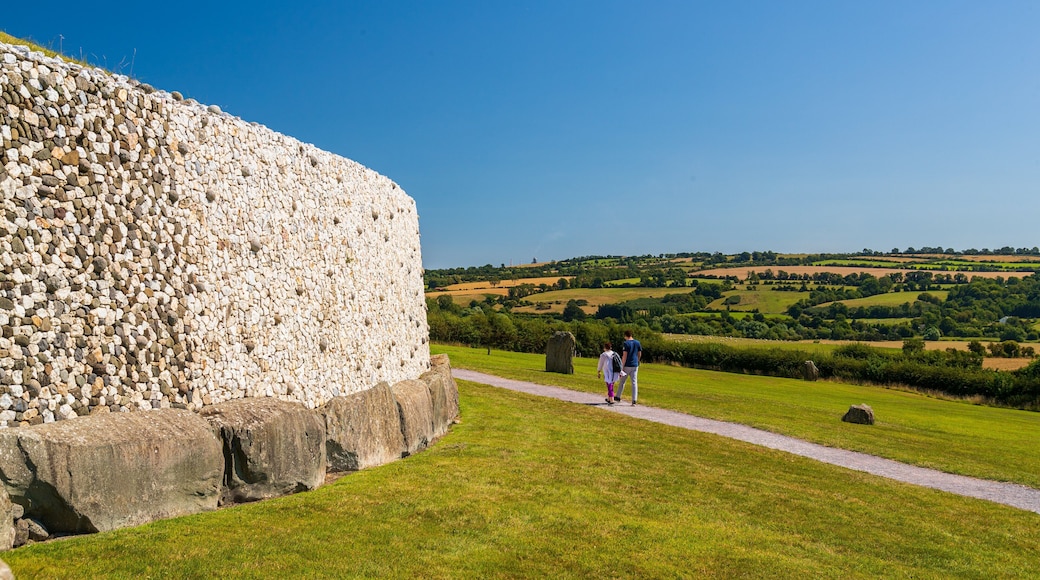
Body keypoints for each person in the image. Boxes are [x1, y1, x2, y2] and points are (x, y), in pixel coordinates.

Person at [614, 330, 642, 405]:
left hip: (627, 365)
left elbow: (624, 356)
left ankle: (618, 396)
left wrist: (621, 366)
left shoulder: (626, 343)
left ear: (626, 335)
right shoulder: (637, 342)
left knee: (622, 382)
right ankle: (634, 399)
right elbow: (639, 353)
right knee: (634, 382)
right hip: (635, 365)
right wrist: (638, 360)